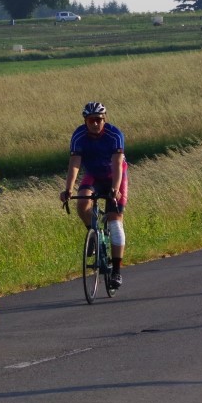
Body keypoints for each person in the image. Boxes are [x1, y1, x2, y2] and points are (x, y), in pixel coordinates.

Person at [60, 102, 128, 290]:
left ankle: (116, 271)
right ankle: (94, 234)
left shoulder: (115, 135)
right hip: (94, 175)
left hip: (115, 175)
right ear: (85, 121)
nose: (95, 123)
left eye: (99, 120)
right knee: (82, 203)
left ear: (104, 120)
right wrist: (68, 189)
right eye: (91, 120)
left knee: (115, 222)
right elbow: (75, 163)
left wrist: (115, 189)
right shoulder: (79, 136)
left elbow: (117, 164)